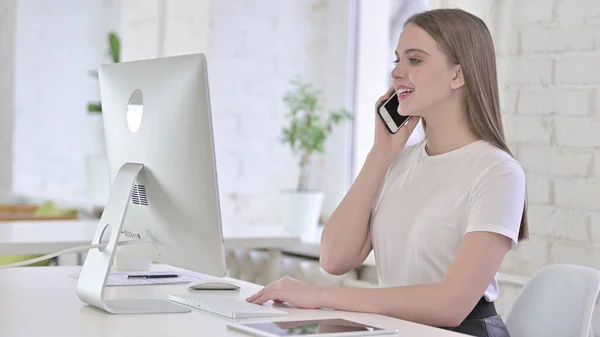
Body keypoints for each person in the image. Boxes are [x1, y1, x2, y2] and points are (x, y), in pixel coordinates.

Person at [246, 8, 527, 337]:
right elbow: (335, 259)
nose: (397, 73)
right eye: (397, 60)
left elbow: (451, 304)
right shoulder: (398, 162)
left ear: (458, 75)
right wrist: (381, 154)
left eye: (415, 60)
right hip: (397, 329)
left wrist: (319, 296)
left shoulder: (497, 171)